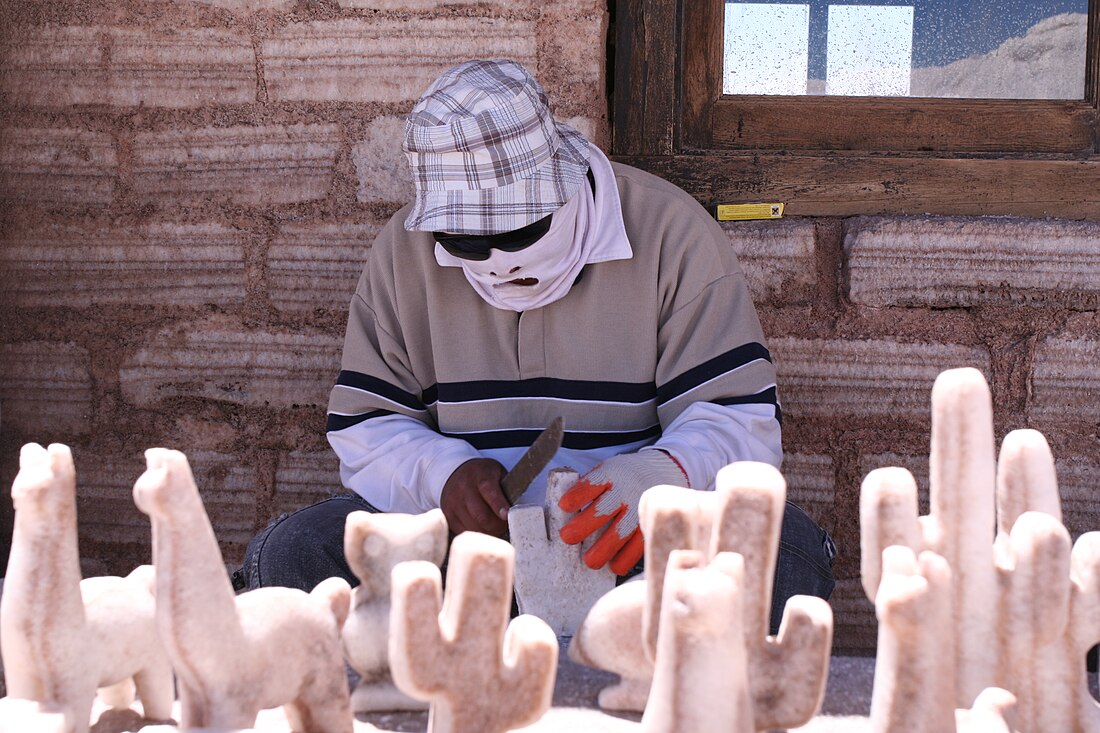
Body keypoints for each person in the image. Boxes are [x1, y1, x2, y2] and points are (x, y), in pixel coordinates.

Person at [235, 59, 835, 629]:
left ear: (564, 187)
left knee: (781, 551)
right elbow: (367, 427)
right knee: (293, 555)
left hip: (635, 554)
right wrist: (445, 478)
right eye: (468, 244)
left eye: (521, 230)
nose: (498, 261)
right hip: (468, 557)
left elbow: (742, 424)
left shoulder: (671, 234)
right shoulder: (404, 255)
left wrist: (657, 479)